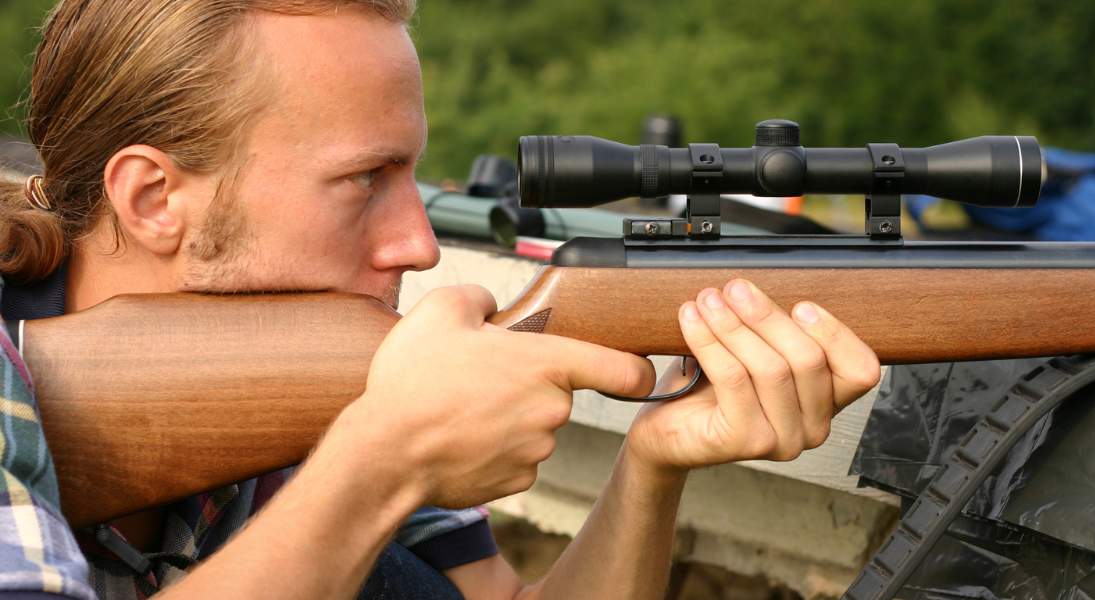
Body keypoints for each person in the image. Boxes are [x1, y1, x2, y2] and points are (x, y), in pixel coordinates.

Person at [0, 1, 882, 598]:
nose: (418, 243)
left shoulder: (340, 363)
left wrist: (655, 464)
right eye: (364, 179)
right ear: (155, 199)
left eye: (411, 174)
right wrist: (384, 458)